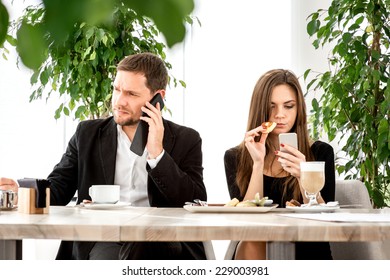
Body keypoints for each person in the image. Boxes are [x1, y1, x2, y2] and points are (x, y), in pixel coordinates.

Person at [0, 52, 207, 260]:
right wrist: (21, 193)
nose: (119, 101)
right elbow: (58, 190)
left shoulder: (186, 139)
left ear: (158, 97)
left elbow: (195, 201)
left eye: (131, 94)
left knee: (141, 245)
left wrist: (157, 154)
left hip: (162, 242)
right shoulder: (87, 134)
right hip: (104, 238)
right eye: (117, 89)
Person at [224, 69, 335, 260]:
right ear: (260, 108)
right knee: (251, 242)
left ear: (298, 108)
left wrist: (304, 175)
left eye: (289, 106)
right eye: (271, 107)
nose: (280, 115)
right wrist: (258, 164)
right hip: (256, 248)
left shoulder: (320, 152)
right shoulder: (235, 157)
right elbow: (246, 222)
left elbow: (324, 220)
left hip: (307, 247)